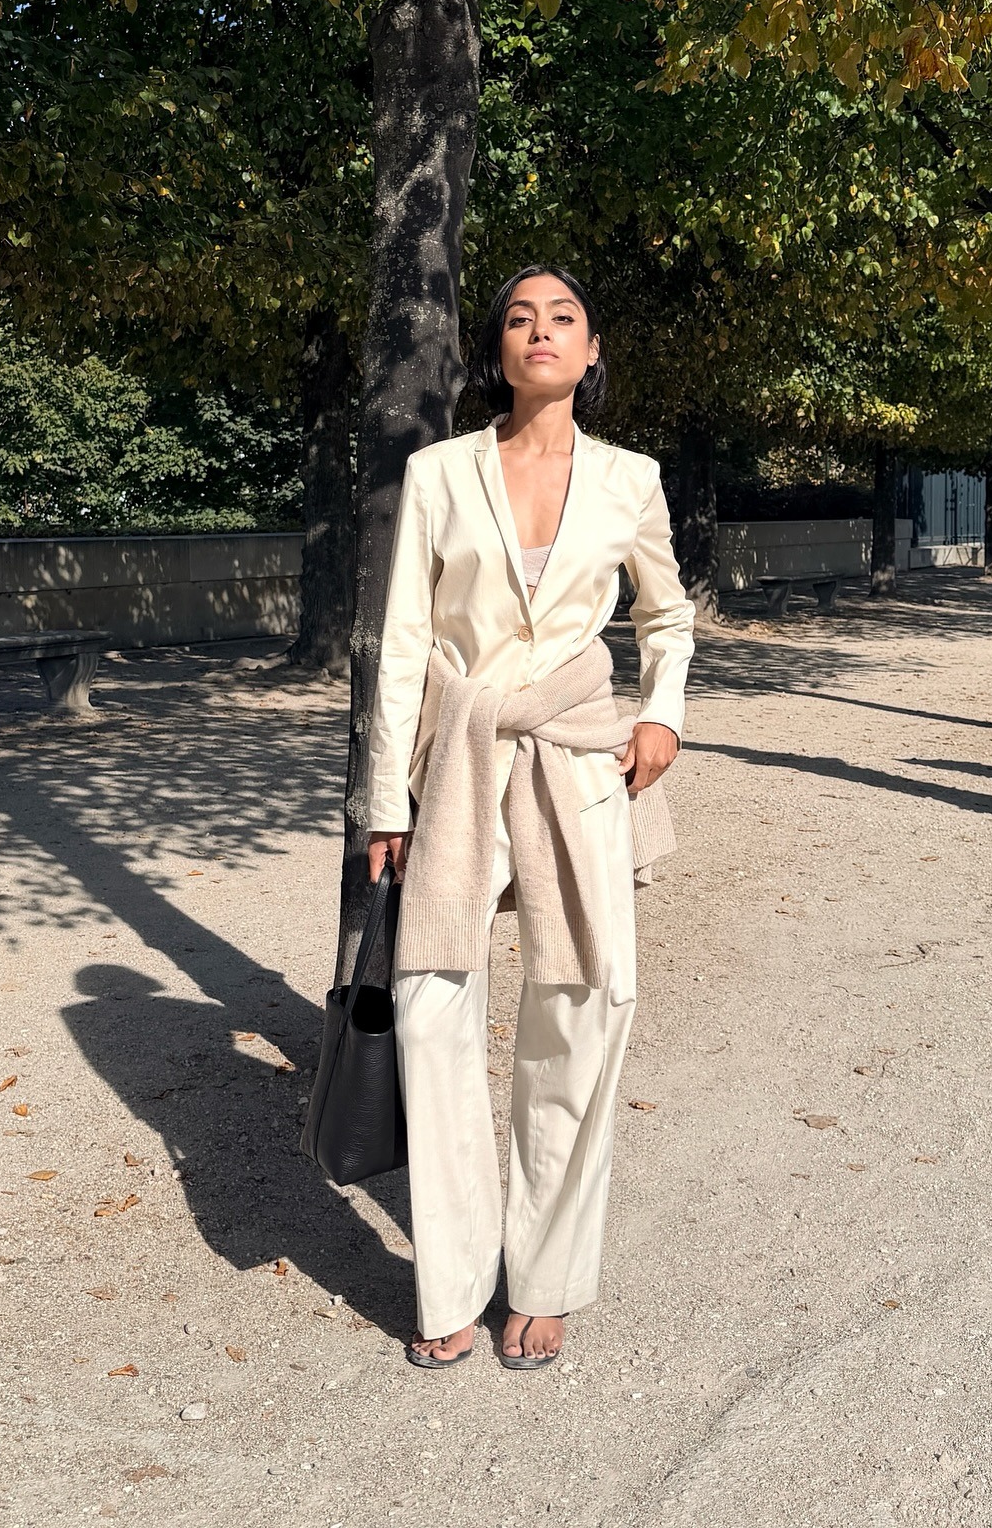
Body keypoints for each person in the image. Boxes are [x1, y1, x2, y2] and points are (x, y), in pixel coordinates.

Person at [363, 265, 696, 1371]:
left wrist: (664, 714)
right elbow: (403, 638)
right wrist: (385, 796)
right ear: (496, 349)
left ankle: (544, 1275)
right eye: (519, 318)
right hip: (459, 752)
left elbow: (666, 616)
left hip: (577, 756)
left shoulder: (631, 479)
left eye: (562, 319)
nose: (540, 332)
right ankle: (452, 1279)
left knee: (580, 1004)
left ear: (591, 351)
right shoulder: (439, 472)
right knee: (430, 1007)